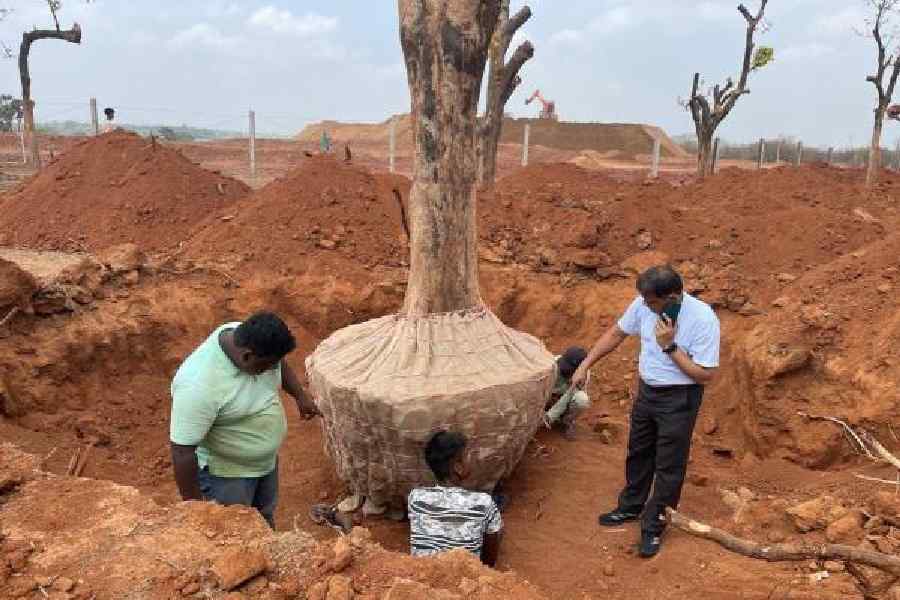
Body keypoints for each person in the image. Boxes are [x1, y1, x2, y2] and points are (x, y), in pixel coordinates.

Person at [570, 265, 719, 558]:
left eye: (652, 302)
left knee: (668, 464)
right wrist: (585, 364)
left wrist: (669, 346)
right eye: (645, 300)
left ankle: (654, 525)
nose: (646, 307)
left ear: (674, 296)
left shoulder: (703, 319)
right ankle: (631, 506)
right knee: (638, 451)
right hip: (648, 391)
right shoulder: (643, 305)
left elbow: (704, 374)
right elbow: (616, 333)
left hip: (680, 397)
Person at [169, 311, 320, 529]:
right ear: (247, 356)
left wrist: (300, 395)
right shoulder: (198, 385)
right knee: (236, 532)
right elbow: (182, 452)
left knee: (264, 516)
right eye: (267, 366)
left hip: (264, 465)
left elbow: (280, 362)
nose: (271, 370)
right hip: (227, 477)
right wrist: (197, 512)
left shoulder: (245, 335)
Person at [407, 431, 503, 566]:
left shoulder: (416, 498)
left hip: (423, 577)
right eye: (468, 456)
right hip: (464, 581)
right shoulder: (484, 503)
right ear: (458, 467)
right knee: (495, 527)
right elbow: (489, 558)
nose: (473, 459)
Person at [543, 346, 591, 440]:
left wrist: (550, 417)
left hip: (561, 397)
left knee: (582, 399)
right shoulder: (550, 364)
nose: (566, 370)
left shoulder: (584, 375)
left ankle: (566, 421)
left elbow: (569, 395)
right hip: (546, 395)